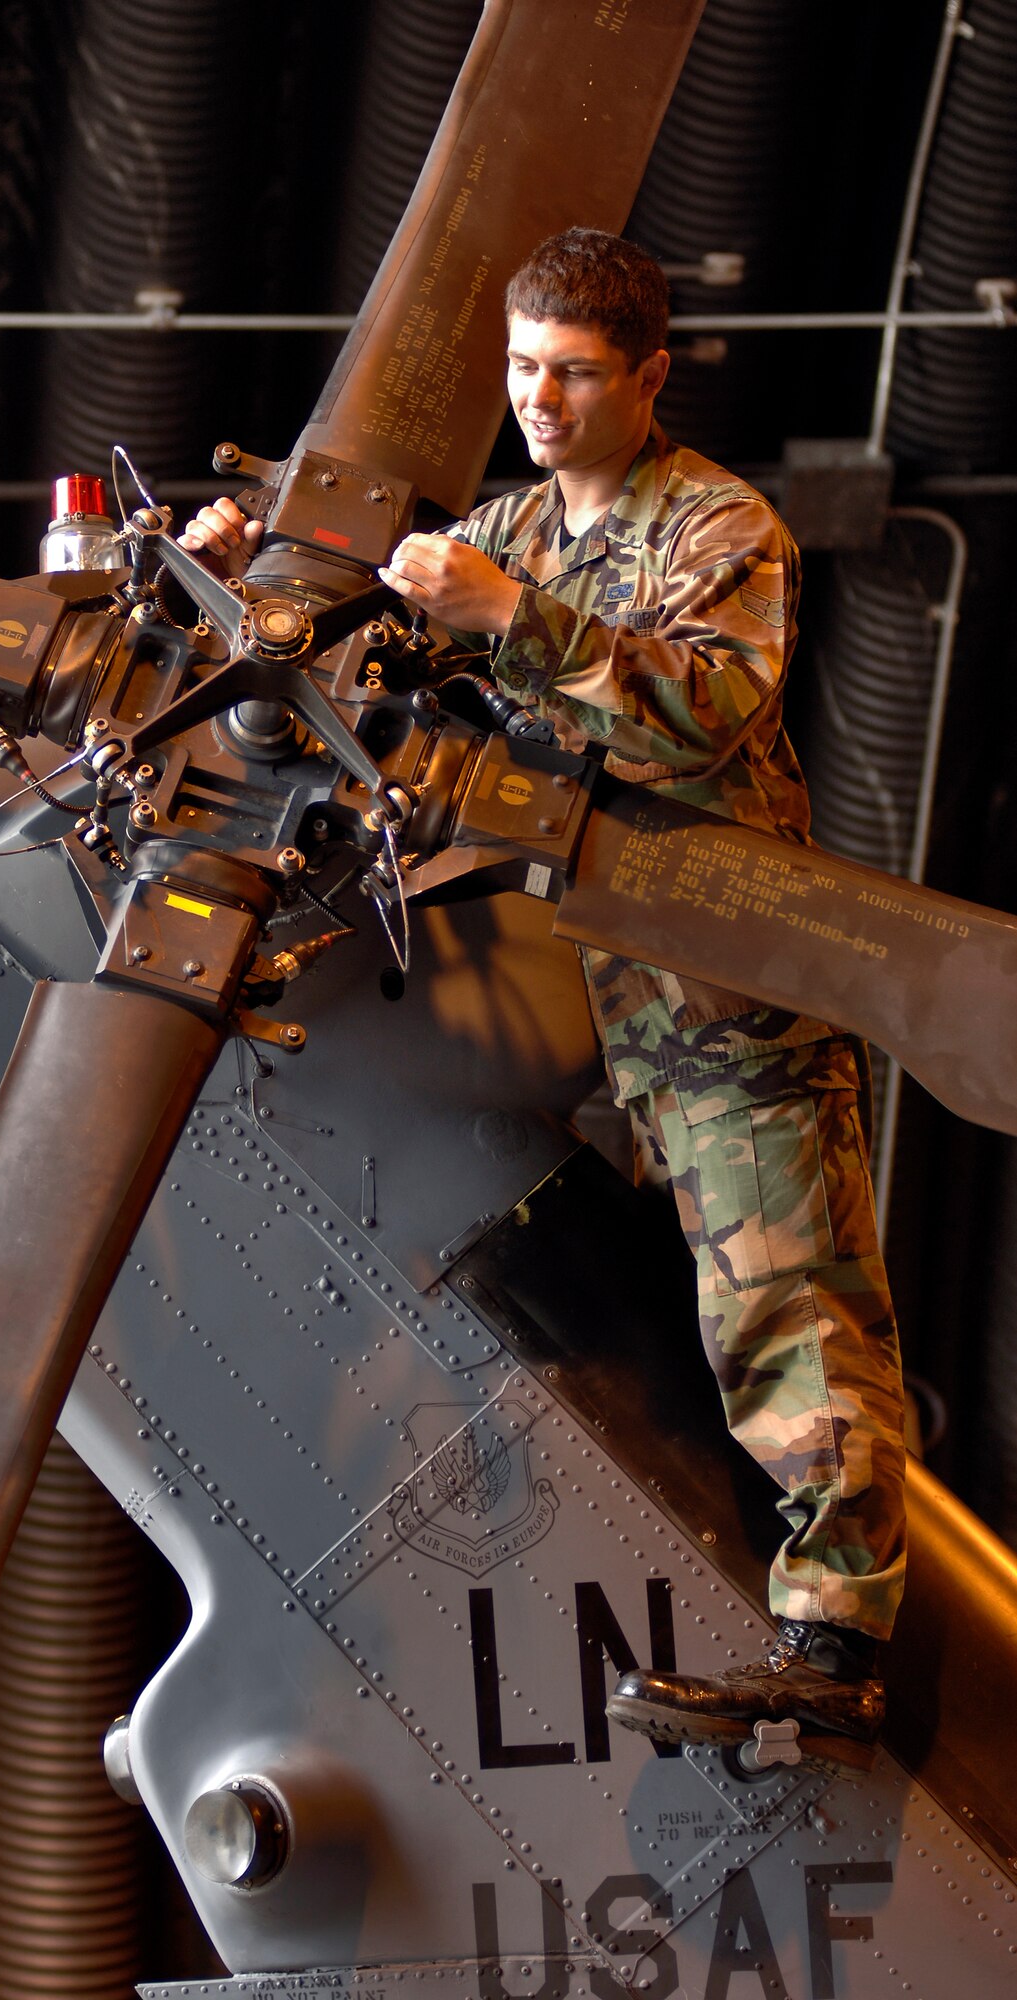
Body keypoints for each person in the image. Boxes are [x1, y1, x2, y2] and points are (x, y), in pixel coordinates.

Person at [184, 228, 905, 1766]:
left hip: (724, 994)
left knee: (790, 1301)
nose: (539, 398)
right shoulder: (507, 522)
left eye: (573, 370)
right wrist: (253, 576)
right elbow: (372, 662)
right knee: (651, 1309)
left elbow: (706, 713)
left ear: (646, 374)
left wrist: (510, 613)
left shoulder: (714, 525)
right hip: (578, 1001)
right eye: (521, 367)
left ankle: (837, 1641)